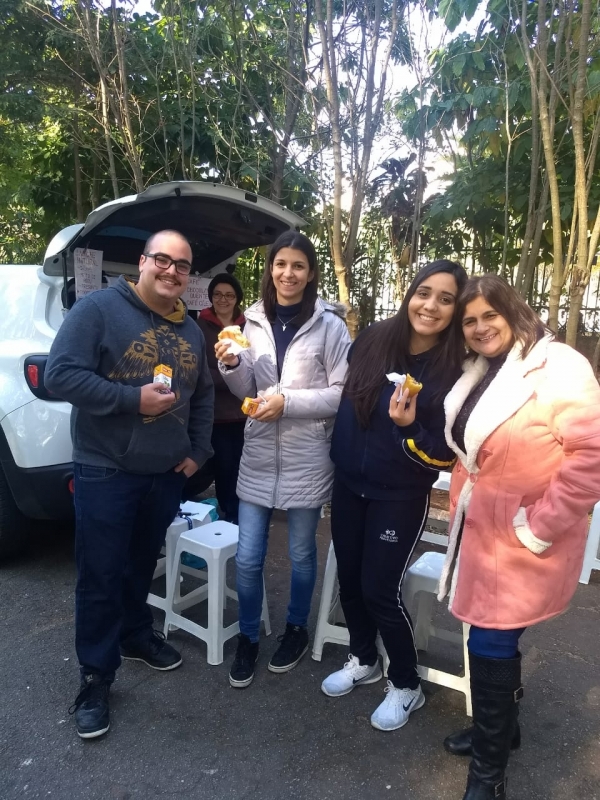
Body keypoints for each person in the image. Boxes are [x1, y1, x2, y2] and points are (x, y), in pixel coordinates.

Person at [45, 230, 214, 739]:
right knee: (100, 573)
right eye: (163, 260)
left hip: (162, 473)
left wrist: (198, 451)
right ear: (143, 262)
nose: (171, 271)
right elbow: (60, 375)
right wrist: (130, 400)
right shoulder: (99, 309)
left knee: (141, 565)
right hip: (105, 469)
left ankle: (135, 635)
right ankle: (96, 675)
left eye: (182, 265)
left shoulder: (192, 332)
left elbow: (203, 395)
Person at [440, 275, 600, 800]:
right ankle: (502, 729)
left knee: (490, 639)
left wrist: (539, 527)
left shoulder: (561, 367)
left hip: (524, 538)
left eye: (490, 315)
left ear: (514, 310)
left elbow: (590, 457)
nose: (481, 327)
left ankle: (489, 777)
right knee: (490, 636)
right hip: (482, 533)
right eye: (470, 321)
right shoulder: (479, 369)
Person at [321, 260, 468, 732]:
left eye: (446, 299)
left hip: (400, 494)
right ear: (410, 294)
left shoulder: (457, 368)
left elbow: (447, 454)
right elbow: (347, 399)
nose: (431, 306)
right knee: (349, 578)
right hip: (348, 483)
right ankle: (364, 657)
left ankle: (406, 684)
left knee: (379, 589)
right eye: (425, 293)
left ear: (456, 308)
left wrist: (409, 428)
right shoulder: (374, 338)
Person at [214, 231, 351, 688]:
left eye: (297, 265)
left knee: (299, 552)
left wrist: (288, 402)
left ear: (310, 273)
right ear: (270, 270)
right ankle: (249, 637)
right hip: (257, 452)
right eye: (280, 265)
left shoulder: (330, 325)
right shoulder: (250, 321)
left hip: (307, 455)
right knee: (249, 557)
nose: (287, 273)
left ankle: (295, 628)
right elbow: (247, 391)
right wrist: (231, 366)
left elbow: (340, 393)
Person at [197, 273, 246, 524]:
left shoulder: (248, 326)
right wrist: (232, 375)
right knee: (215, 467)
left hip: (241, 413)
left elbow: (253, 368)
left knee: (235, 469)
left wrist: (236, 375)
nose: (223, 299)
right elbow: (199, 369)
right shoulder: (199, 325)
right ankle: (221, 515)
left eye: (229, 295)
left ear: (237, 298)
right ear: (211, 298)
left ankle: (233, 518)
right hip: (211, 413)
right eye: (218, 294)